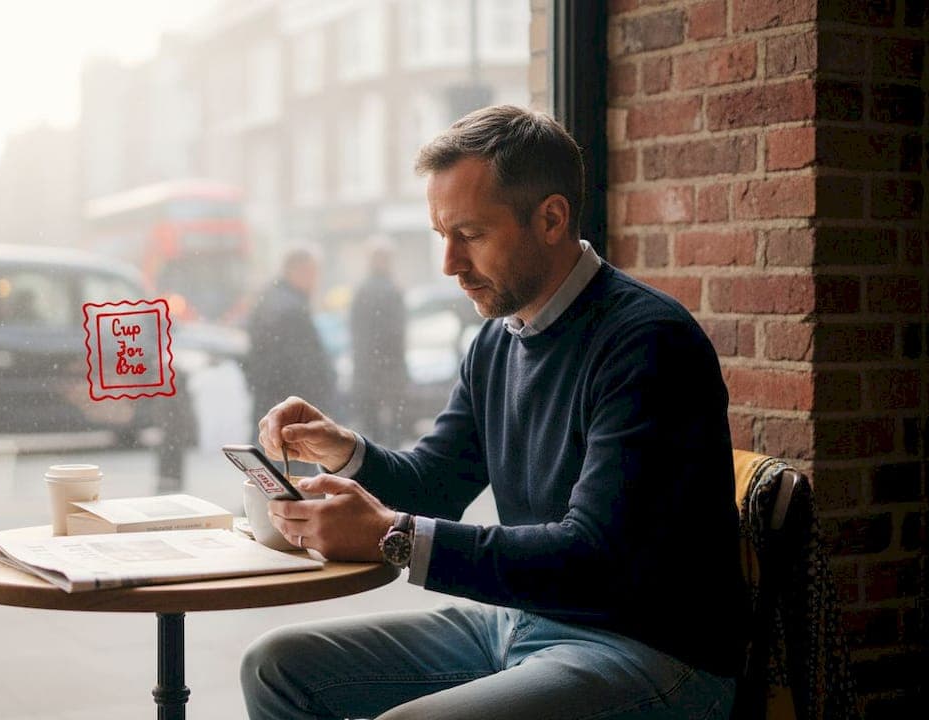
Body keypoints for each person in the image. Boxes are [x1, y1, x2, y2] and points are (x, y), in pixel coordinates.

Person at [240, 106, 747, 719]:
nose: (449, 264)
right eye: (442, 236)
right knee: (274, 666)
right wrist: (346, 451)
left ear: (551, 218)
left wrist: (393, 537)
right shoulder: (498, 340)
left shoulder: (647, 342)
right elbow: (437, 483)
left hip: (649, 648)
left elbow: (595, 558)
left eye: (471, 235)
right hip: (522, 624)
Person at [243, 246, 336, 474]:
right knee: (295, 473)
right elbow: (304, 364)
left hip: (269, 397)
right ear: (298, 271)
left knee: (268, 463)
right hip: (290, 405)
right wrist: (317, 399)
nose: (316, 280)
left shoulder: (268, 300)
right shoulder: (291, 309)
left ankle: (263, 501)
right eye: (313, 273)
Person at [349, 238, 408, 447]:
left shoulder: (363, 290)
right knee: (390, 430)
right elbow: (394, 335)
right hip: (384, 370)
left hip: (371, 370)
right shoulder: (388, 289)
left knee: (373, 430)